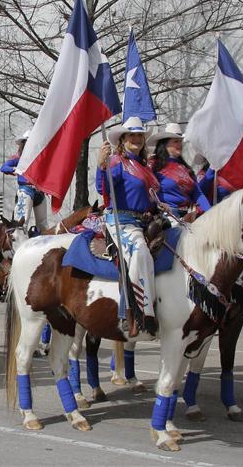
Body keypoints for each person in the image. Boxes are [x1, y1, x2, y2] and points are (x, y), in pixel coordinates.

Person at [96, 116, 160, 333]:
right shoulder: (117, 162)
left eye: (140, 135)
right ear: (122, 140)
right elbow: (101, 186)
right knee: (141, 251)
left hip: (145, 220)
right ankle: (133, 313)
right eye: (132, 135)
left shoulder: (145, 166)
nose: (137, 139)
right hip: (122, 221)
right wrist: (101, 165)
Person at [148, 123, 210, 220]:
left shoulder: (186, 169)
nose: (180, 145)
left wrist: (210, 213)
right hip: (166, 216)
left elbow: (198, 194)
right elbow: (147, 190)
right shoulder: (153, 165)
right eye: (176, 141)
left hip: (188, 215)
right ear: (165, 144)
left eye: (180, 141)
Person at [1, 130, 48, 233]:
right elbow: (4, 167)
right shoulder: (18, 158)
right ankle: (19, 245)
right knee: (21, 223)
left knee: (43, 224)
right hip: (26, 191)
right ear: (24, 144)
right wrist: (14, 169)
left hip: (40, 191)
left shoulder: (41, 157)